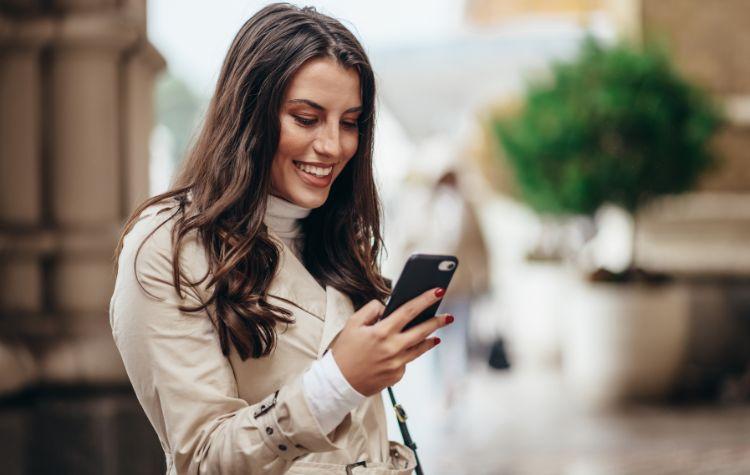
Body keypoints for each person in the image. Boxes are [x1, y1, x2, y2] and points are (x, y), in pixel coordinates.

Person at [109, 4, 453, 474]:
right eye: (306, 118)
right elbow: (202, 458)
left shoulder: (336, 236)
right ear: (249, 114)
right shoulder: (166, 248)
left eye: (349, 122)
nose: (333, 145)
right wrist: (337, 383)